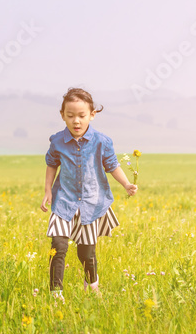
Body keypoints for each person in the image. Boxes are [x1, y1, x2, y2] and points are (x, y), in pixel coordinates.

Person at [40, 88, 137, 299]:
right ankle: (56, 294)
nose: (76, 121)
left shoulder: (102, 141)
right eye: (70, 115)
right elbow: (51, 164)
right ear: (62, 115)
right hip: (63, 202)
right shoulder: (57, 141)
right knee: (58, 245)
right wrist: (48, 190)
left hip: (91, 203)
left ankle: (92, 287)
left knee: (86, 252)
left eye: (82, 116)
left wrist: (126, 184)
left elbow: (112, 165)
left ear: (92, 115)